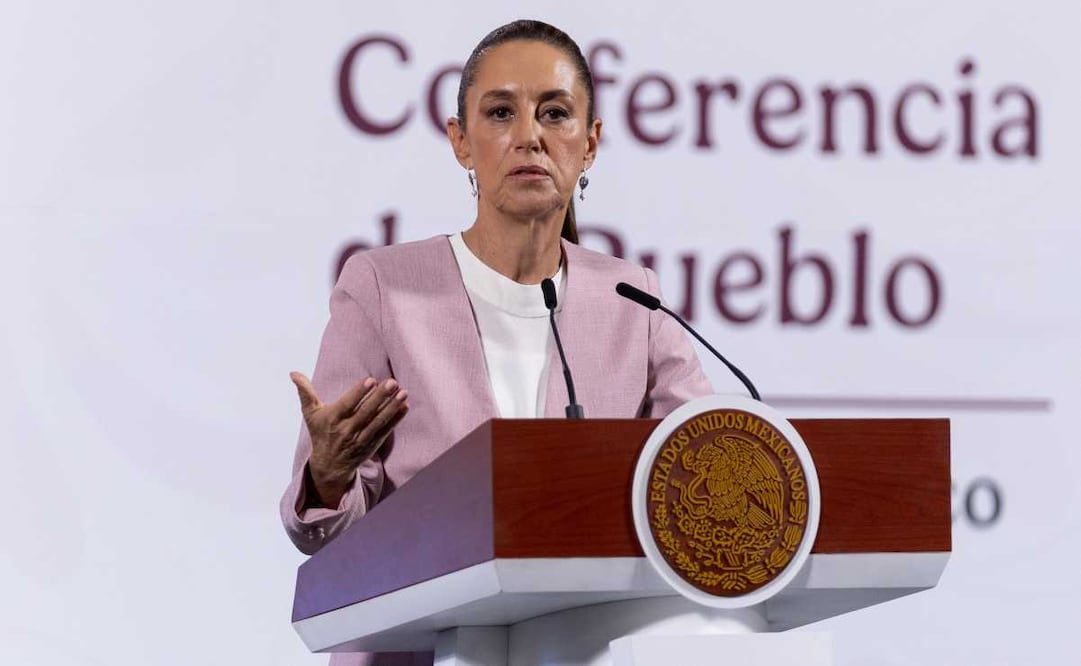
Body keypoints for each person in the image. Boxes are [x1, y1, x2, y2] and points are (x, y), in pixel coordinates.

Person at [280, 19, 713, 666]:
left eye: (556, 113)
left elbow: (706, 460)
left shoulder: (633, 300)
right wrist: (328, 477)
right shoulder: (384, 288)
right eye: (501, 112)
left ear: (589, 144)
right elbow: (325, 530)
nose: (530, 135)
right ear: (460, 141)